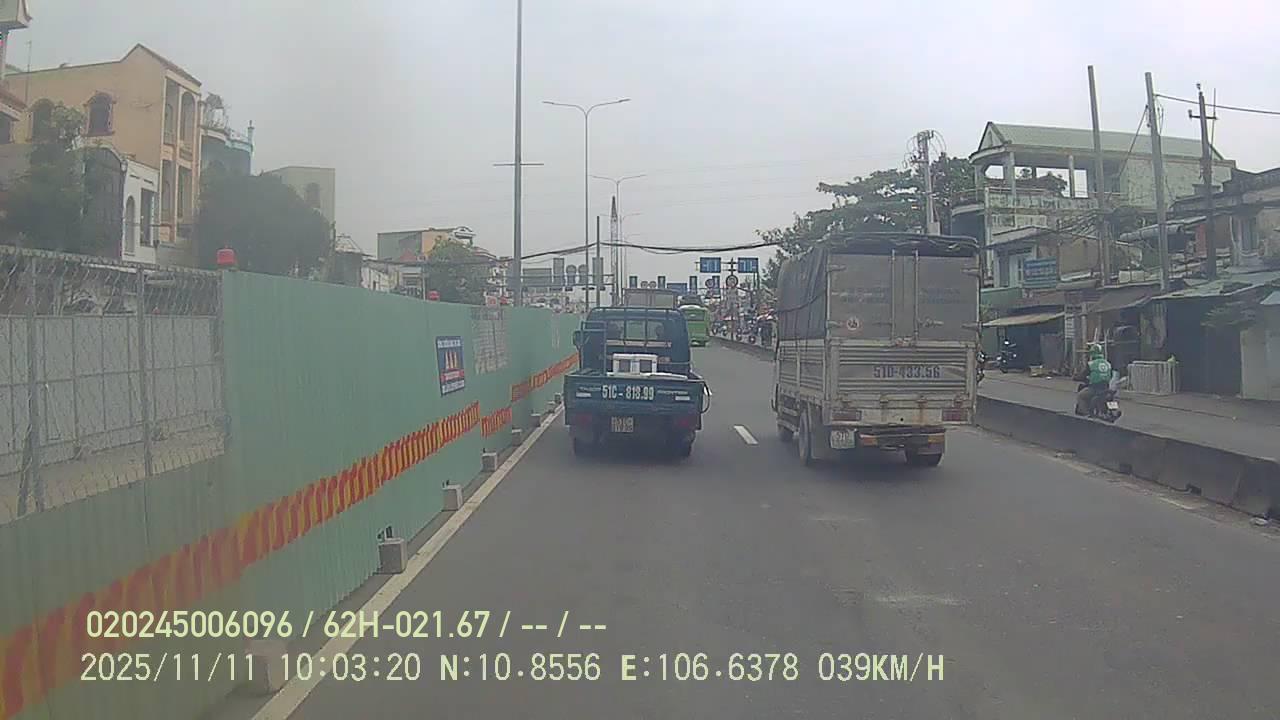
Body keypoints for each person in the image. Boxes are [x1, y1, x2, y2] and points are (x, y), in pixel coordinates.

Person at [1075, 343, 1113, 415]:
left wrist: (1076, 377)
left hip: (1095, 388)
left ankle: (1086, 413)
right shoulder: (1108, 363)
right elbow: (1111, 375)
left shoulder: (1091, 364)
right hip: (1106, 387)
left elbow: (1083, 375)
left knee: (1080, 396)